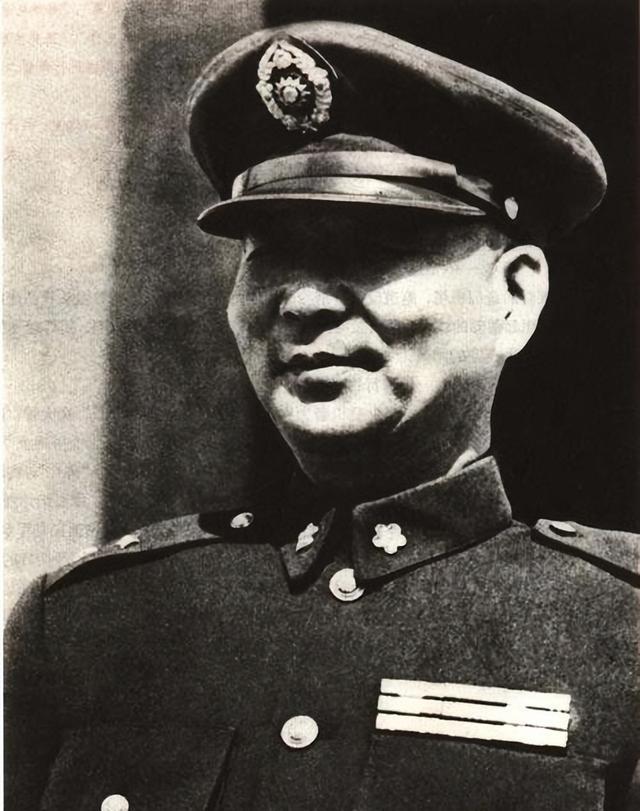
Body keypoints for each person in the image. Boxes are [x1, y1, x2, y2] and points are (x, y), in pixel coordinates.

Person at [5, 19, 639, 811]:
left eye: (375, 246)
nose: (303, 301)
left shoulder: (620, 632)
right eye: (271, 252)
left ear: (513, 296)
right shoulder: (88, 627)